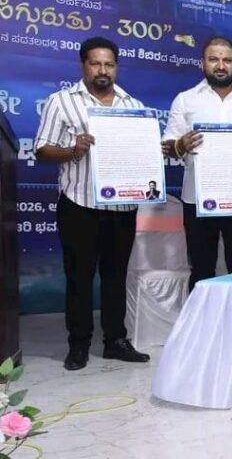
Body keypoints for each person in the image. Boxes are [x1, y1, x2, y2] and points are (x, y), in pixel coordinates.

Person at [34, 36, 150, 370]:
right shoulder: (61, 101)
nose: (103, 70)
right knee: (79, 278)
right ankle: (79, 344)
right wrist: (74, 150)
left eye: (109, 64)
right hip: (79, 203)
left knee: (116, 277)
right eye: (96, 63)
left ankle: (115, 341)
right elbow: (42, 149)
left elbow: (141, 153)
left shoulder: (132, 105)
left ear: (116, 67)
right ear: (83, 65)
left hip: (122, 207)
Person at [163, 36, 232, 290]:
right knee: (201, 268)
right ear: (202, 63)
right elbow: (167, 146)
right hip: (198, 200)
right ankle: (201, 317)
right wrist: (180, 144)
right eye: (214, 59)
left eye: (227, 60)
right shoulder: (185, 100)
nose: (221, 65)